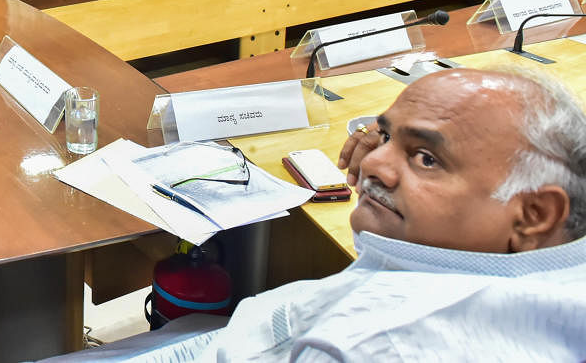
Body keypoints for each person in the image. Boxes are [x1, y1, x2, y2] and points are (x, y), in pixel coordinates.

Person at [43, 67, 586, 361]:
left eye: (426, 158)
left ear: (534, 214)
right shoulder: (549, 255)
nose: (373, 162)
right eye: (386, 136)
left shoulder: (378, 344)